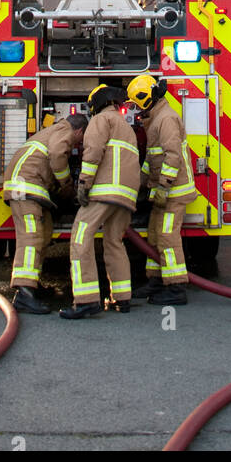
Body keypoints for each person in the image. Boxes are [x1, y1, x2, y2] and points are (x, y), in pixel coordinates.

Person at [60, 85, 140, 320]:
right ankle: (123, 298)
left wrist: (83, 184)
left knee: (80, 238)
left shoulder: (100, 120)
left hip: (104, 192)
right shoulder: (125, 126)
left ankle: (86, 300)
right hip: (126, 196)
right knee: (114, 241)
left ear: (97, 103)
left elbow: (93, 152)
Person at [2, 113, 88, 313]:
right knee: (31, 237)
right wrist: (67, 186)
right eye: (81, 139)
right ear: (79, 131)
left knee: (44, 234)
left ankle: (33, 282)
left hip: (33, 188)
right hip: (25, 188)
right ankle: (23, 293)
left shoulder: (53, 130)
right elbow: (58, 156)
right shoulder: (64, 130)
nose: (79, 144)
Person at [126, 73, 196, 306]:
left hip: (173, 193)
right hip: (162, 192)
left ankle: (176, 288)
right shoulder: (156, 119)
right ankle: (156, 281)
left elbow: (172, 155)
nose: (136, 109)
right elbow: (151, 159)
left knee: (167, 236)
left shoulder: (165, 119)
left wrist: (164, 186)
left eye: (136, 104)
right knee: (155, 234)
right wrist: (141, 185)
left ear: (146, 99)